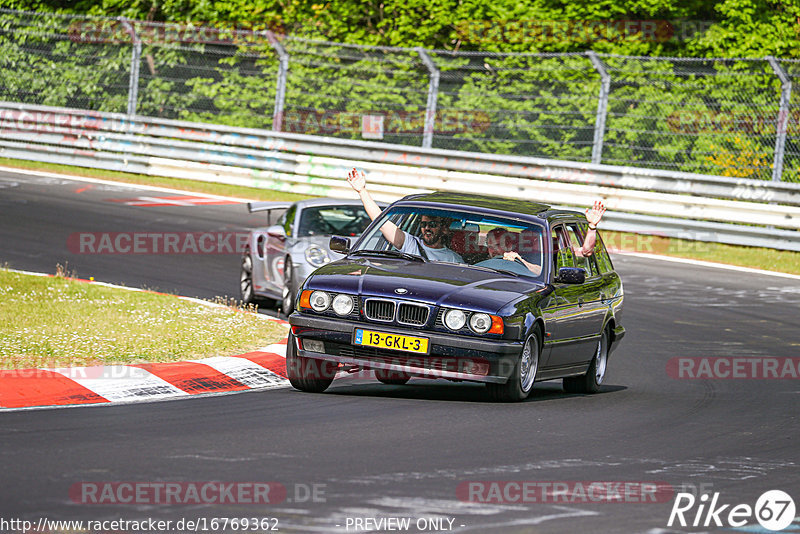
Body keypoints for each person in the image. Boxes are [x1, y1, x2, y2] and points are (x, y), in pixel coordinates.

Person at [347, 168, 464, 263]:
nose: (427, 228)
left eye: (432, 224)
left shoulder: (453, 259)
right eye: (423, 224)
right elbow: (381, 222)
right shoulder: (410, 243)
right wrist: (362, 191)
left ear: (444, 229)